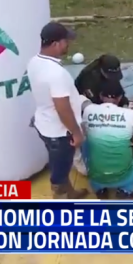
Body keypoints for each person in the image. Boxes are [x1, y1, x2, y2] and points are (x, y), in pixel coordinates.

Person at [27, 22, 88, 199]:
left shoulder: (34, 61)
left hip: (44, 124)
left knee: (60, 164)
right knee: (60, 171)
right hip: (59, 133)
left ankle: (70, 192)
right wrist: (76, 132)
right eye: (65, 41)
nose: (68, 44)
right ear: (55, 44)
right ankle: (61, 203)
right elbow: (62, 108)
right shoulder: (56, 73)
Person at [80, 79, 133, 199]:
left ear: (100, 95)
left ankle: (99, 188)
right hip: (123, 176)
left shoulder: (88, 110)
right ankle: (126, 189)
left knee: (85, 144)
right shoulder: (129, 114)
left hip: (97, 175)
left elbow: (85, 133)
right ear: (120, 97)